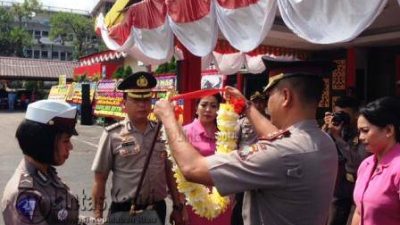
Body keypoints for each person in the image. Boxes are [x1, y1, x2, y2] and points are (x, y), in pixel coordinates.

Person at [154, 58, 338, 225]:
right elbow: (282, 137)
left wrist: (168, 117)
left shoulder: (279, 154)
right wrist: (246, 107)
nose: (266, 105)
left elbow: (193, 168)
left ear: (286, 97)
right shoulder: (324, 141)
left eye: (268, 96)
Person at [91, 72, 185, 224]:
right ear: (124, 104)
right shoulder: (112, 135)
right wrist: (97, 217)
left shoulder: (161, 132)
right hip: (124, 211)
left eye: (146, 99)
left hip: (157, 209)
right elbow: (100, 179)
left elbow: (170, 173)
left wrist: (177, 206)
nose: (142, 105)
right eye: (135, 100)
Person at [1, 100, 80, 225]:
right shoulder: (25, 195)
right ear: (44, 142)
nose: (70, 147)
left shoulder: (45, 174)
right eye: (65, 141)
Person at [183, 94, 232, 225]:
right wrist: (179, 204)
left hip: (222, 196)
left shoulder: (225, 134)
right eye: (204, 105)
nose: (208, 109)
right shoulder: (185, 132)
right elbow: (177, 170)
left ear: (218, 110)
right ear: (196, 109)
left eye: (213, 106)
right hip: (194, 198)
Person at [351, 96, 400, 225]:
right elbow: (359, 211)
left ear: (389, 130)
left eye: (365, 131)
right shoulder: (366, 165)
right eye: (359, 131)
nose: (360, 137)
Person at [323, 96, 370, 225]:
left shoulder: (363, 133)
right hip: (338, 186)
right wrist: (326, 131)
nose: (341, 118)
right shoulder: (334, 129)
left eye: (344, 114)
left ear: (356, 114)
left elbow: (357, 160)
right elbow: (321, 151)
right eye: (338, 114)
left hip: (357, 185)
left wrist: (338, 138)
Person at [232, 91, 269, 225]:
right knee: (240, 200)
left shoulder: (269, 121)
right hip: (244, 164)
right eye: (255, 102)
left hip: (264, 165)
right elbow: (234, 143)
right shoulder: (242, 122)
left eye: (261, 101)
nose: (258, 105)